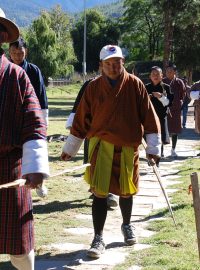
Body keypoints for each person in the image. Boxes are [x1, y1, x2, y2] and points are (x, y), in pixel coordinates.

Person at [61, 45, 161, 258]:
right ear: (101, 66)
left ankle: (126, 224)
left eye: (117, 63)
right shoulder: (93, 87)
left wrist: (153, 148)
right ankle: (98, 237)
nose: (113, 67)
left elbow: (149, 116)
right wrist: (70, 148)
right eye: (108, 64)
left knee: (127, 191)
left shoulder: (135, 85)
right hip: (101, 146)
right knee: (99, 193)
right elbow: (81, 120)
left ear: (123, 62)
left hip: (127, 146)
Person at [0, 8, 49, 270]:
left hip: (10, 169)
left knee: (20, 246)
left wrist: (35, 168)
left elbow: (34, 124)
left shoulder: (17, 77)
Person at [66, 78, 118, 208]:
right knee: (93, 162)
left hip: (115, 132)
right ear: (101, 65)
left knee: (112, 162)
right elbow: (79, 105)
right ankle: (95, 189)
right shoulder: (91, 84)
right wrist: (74, 124)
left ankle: (110, 193)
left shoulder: (124, 82)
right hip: (93, 130)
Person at [9, 36, 49, 198]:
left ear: (26, 52)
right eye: (14, 53)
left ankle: (40, 183)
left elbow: (41, 95)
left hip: (31, 116)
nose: (17, 56)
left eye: (20, 53)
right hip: (12, 118)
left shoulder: (33, 70)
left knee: (34, 150)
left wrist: (42, 119)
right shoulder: (5, 69)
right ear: (8, 52)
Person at [145, 66, 174, 159]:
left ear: (162, 76)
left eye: (158, 74)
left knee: (159, 137)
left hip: (161, 116)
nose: (155, 76)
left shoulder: (166, 87)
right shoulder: (145, 87)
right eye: (153, 74)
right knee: (148, 137)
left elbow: (169, 103)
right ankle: (149, 156)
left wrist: (161, 96)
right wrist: (147, 98)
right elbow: (140, 102)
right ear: (150, 76)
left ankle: (158, 156)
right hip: (148, 117)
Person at [163, 64, 186, 157]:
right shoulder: (162, 81)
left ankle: (173, 150)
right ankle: (161, 151)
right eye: (167, 71)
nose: (168, 73)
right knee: (163, 129)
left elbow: (183, 95)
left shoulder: (179, 82)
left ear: (175, 72)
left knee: (175, 130)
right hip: (164, 109)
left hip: (175, 109)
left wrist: (179, 104)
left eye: (171, 71)